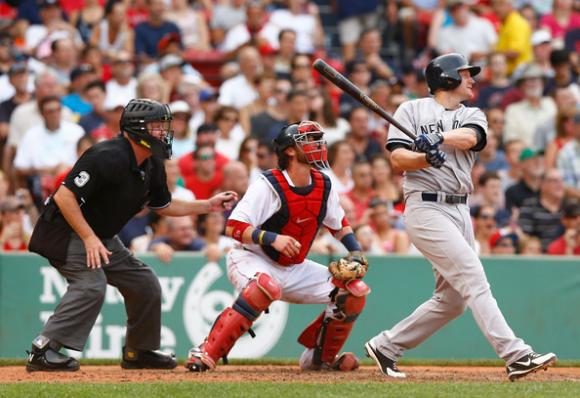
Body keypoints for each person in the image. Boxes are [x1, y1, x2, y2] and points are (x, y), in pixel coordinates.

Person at [365, 53, 556, 381]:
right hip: (425, 207)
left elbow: (471, 138)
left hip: (459, 208)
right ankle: (515, 354)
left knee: (452, 301)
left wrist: (438, 139)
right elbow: (398, 158)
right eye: (466, 74)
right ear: (447, 77)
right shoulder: (410, 110)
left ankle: (387, 346)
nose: (472, 80)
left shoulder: (473, 113)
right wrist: (425, 157)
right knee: (472, 274)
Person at [25, 98, 238, 372]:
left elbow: (163, 205)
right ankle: (43, 350)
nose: (164, 132)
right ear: (138, 128)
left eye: (164, 126)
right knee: (91, 285)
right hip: (64, 232)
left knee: (144, 283)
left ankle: (139, 351)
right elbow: (65, 196)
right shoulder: (106, 155)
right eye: (158, 126)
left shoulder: (152, 162)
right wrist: (90, 238)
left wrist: (207, 205)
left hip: (99, 235)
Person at [185, 121, 370, 373]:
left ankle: (318, 358)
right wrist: (273, 238)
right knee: (263, 288)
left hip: (294, 267)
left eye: (318, 140)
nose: (318, 146)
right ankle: (205, 351)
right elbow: (234, 228)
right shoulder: (268, 184)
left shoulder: (324, 185)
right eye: (310, 141)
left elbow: (340, 225)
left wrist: (356, 252)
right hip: (252, 258)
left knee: (354, 291)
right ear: (291, 150)